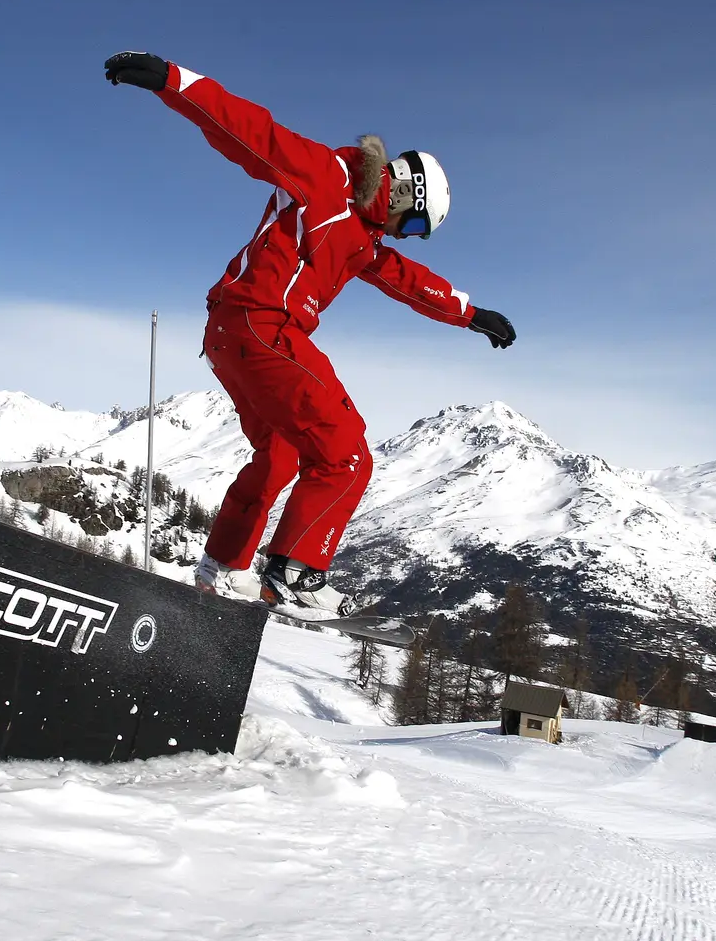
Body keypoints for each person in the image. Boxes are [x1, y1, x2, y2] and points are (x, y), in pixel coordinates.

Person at [104, 51, 515, 617]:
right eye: (415, 223)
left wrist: (470, 313)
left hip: (229, 334)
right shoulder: (330, 177)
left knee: (277, 455)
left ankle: (219, 569)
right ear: (403, 192)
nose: (409, 236)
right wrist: (176, 83)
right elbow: (255, 134)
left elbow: (406, 279)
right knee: (346, 453)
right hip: (262, 323)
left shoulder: (365, 239)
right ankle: (296, 570)